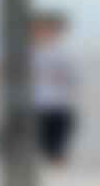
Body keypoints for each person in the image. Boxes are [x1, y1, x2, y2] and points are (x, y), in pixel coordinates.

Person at [31, 12, 77, 166]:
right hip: (33, 107)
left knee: (56, 150)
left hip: (57, 106)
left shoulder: (63, 54)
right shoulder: (25, 53)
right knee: (34, 149)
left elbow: (72, 79)